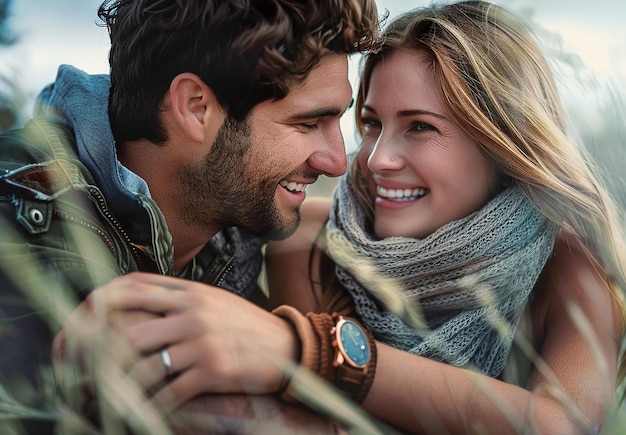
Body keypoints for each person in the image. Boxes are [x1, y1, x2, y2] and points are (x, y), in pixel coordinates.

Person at [79, 1, 625, 434]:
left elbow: (561, 426)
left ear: (501, 145)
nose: (374, 158)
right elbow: (318, 424)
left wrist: (304, 348)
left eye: (419, 126)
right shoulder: (310, 244)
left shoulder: (570, 263)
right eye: (370, 123)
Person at [0, 0, 379, 433]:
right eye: (309, 124)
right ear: (196, 106)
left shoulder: (236, 225)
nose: (336, 161)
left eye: (340, 121)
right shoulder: (20, 211)